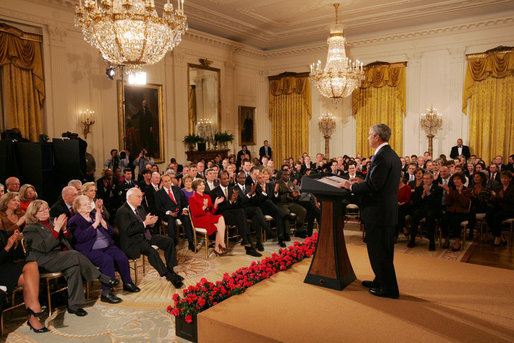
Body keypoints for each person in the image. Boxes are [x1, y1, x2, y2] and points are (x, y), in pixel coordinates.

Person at [23, 200, 119, 317]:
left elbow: (68, 242)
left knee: (74, 268)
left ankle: (73, 305)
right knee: (74, 254)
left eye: (46, 209)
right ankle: (101, 277)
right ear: (34, 214)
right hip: (43, 260)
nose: (45, 212)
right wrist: (57, 229)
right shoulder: (31, 228)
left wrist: (64, 230)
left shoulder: (53, 221)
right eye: (41, 210)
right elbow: (45, 248)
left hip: (60, 257)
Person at [339, 124, 401, 299]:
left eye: (369, 135)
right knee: (383, 250)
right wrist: (362, 181)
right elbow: (377, 182)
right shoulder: (391, 154)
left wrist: (351, 186)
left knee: (379, 251)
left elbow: (374, 186)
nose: (368, 138)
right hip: (384, 210)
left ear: (377, 137)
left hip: (379, 212)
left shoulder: (382, 156)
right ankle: (380, 280)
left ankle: (388, 288)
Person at [68, 195, 139, 304]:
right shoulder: (74, 221)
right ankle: (106, 292)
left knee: (121, 256)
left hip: (107, 246)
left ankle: (127, 283)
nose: (88, 205)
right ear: (78, 208)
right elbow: (81, 237)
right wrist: (96, 224)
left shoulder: (94, 215)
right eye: (85, 204)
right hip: (90, 250)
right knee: (106, 260)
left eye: (88, 203)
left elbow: (111, 232)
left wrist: (103, 222)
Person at [116, 188, 183, 288]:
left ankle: (170, 269)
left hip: (145, 235)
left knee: (169, 241)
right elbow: (128, 231)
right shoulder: (122, 211)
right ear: (129, 197)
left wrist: (151, 223)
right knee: (152, 252)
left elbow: (146, 223)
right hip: (133, 241)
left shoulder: (140, 208)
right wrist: (145, 223)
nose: (141, 199)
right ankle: (168, 276)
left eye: (141, 197)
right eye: (138, 197)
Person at [0, 229, 48, 333]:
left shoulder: (4, 234)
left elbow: (18, 257)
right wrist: (7, 247)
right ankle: (34, 314)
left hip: (9, 269)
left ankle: (34, 309)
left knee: (32, 266)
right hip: (2, 273)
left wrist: (16, 245)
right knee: (30, 275)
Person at [155, 174, 194, 251]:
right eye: (165, 181)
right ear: (162, 182)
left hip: (179, 211)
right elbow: (158, 207)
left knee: (186, 218)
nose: (168, 183)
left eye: (169, 181)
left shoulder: (177, 189)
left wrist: (184, 209)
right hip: (168, 214)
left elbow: (183, 202)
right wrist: (168, 212)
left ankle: (190, 242)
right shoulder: (158, 193)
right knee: (171, 221)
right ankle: (173, 242)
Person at [189, 179, 227, 256]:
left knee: (220, 221)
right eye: (200, 185)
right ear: (195, 187)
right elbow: (195, 214)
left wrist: (215, 204)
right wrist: (204, 207)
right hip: (199, 220)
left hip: (208, 217)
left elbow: (212, 212)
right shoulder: (192, 198)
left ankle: (217, 247)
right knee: (220, 222)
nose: (202, 186)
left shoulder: (207, 196)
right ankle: (221, 243)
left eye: (203, 184)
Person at [442, 173, 471, 251]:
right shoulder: (451, 189)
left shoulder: (467, 190)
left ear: (462, 180)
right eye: (454, 179)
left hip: (462, 212)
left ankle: (457, 241)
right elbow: (447, 203)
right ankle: (447, 239)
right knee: (443, 219)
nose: (456, 181)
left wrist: (460, 192)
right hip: (451, 211)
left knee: (455, 221)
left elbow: (464, 203)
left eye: (458, 179)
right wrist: (448, 193)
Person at [486, 171, 514, 246]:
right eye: (502, 178)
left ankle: (497, 237)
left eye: (505, 178)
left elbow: (512, 201)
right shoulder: (498, 187)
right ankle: (499, 235)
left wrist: (501, 197)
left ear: (510, 179)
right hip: (499, 207)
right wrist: (494, 197)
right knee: (488, 216)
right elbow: (495, 201)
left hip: (510, 209)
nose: (503, 180)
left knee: (496, 217)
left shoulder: (512, 188)